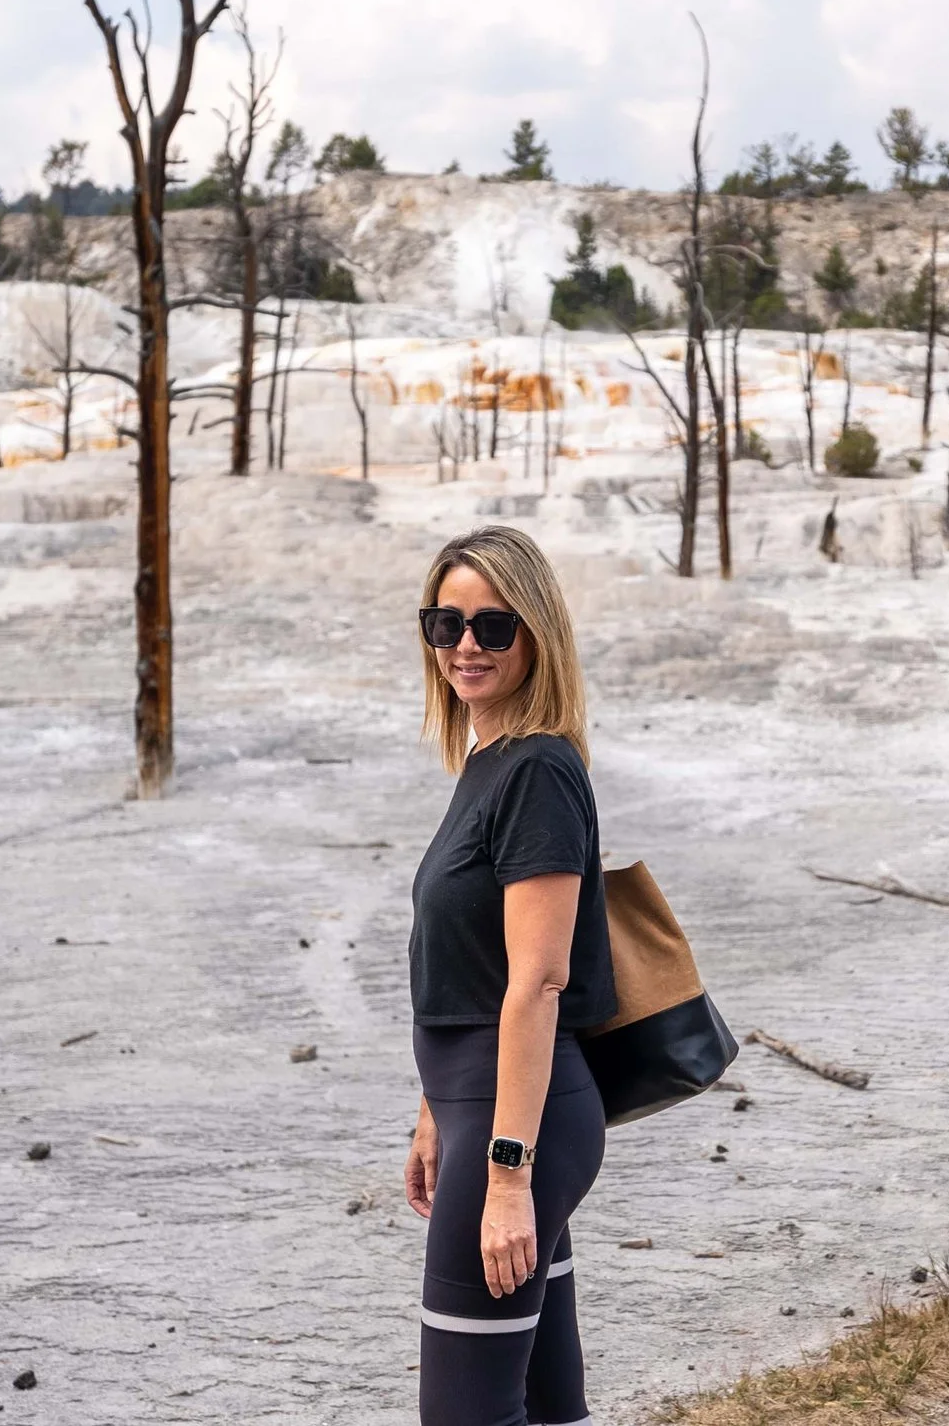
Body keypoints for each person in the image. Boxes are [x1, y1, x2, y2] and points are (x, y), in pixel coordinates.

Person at [404, 525, 613, 1426]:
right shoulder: (489, 762)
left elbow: (537, 982)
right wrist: (429, 1116)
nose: (464, 647)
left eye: (493, 626)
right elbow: (466, 972)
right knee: (547, 1407)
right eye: (444, 624)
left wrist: (507, 1177)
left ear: (537, 633)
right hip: (485, 1117)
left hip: (519, 1129)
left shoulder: (536, 771)